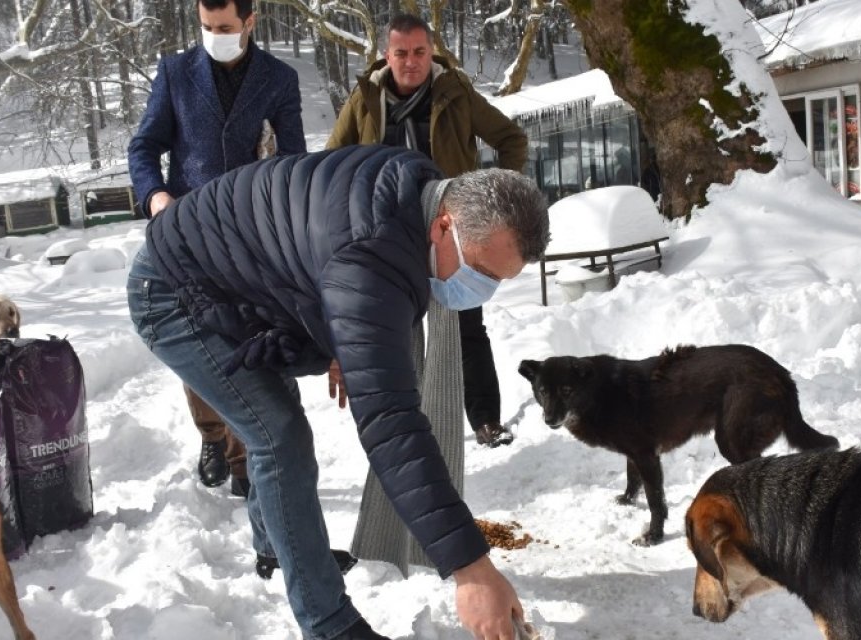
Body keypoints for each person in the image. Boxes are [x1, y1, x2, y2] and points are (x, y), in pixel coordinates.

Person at [127, 144, 550, 640]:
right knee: (279, 437)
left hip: (242, 282)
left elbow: (318, 258)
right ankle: (329, 625)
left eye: (497, 281)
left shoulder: (416, 195)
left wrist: (342, 339)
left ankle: (275, 544)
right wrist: (471, 569)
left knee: (275, 426)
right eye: (482, 273)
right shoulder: (370, 254)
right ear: (444, 225)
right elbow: (392, 426)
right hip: (175, 292)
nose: (482, 290)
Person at [127, 0, 304, 501]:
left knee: (244, 333)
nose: (214, 35)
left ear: (250, 22)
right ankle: (211, 437)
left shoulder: (277, 77)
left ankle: (247, 454)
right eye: (206, 27)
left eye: (225, 27)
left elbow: (293, 159)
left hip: (249, 231)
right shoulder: (175, 73)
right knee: (198, 335)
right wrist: (155, 195)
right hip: (184, 230)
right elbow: (144, 146)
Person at [326, 14, 527, 450]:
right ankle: (410, 429)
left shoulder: (455, 93)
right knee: (398, 332)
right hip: (388, 235)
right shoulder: (364, 99)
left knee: (466, 327)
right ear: (386, 55)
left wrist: (494, 201)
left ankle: (486, 421)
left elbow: (512, 139)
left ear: (430, 51)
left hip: (453, 229)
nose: (411, 62)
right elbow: (328, 165)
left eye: (419, 52)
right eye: (401, 53)